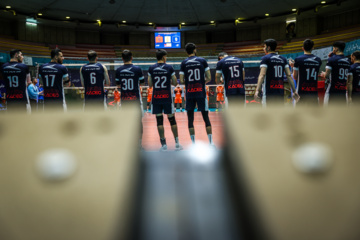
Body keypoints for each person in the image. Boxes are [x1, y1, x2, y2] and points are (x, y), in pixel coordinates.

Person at [148, 49, 183, 151]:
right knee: (172, 120)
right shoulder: (169, 67)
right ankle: (177, 143)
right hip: (167, 97)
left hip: (156, 97)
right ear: (164, 57)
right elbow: (175, 82)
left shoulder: (151, 68)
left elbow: (150, 84)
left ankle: (163, 145)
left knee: (159, 121)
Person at [179, 43, 214, 146]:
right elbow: (208, 77)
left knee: (190, 119)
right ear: (195, 50)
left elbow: (181, 80)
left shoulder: (183, 63)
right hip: (200, 92)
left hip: (190, 93)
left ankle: (193, 144)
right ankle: (211, 143)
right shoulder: (202, 61)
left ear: (186, 52)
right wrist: (201, 82)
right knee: (206, 117)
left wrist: (190, 84)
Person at [254, 39, 299, 106]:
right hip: (280, 93)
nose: (263, 49)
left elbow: (262, 74)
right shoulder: (283, 59)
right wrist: (294, 91)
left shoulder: (265, 58)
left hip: (268, 93)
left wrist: (257, 90)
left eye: (264, 46)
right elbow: (289, 75)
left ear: (268, 48)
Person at [115, 49, 145, 149]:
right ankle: (139, 144)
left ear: (122, 59)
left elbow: (118, 85)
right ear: (132, 57)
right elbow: (142, 83)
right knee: (138, 122)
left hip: (125, 100)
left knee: (126, 122)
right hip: (136, 99)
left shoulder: (118, 70)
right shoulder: (137, 69)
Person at [292, 39, 322, 106]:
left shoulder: (298, 59)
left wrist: (293, 66)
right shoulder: (318, 60)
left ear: (302, 48)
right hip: (314, 93)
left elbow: (295, 76)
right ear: (312, 48)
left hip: (301, 93)